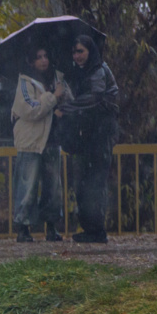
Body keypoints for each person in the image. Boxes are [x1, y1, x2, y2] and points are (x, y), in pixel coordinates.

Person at [56, 35, 119, 243]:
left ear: (90, 51)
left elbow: (94, 97)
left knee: (96, 181)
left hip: (100, 134)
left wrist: (67, 108)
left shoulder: (99, 70)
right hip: (86, 134)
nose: (77, 56)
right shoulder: (79, 74)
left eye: (81, 51)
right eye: (75, 52)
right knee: (81, 181)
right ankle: (89, 227)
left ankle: (97, 229)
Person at [11, 47, 66, 242]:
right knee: (27, 185)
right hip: (31, 141)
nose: (43, 60)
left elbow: (64, 102)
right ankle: (23, 227)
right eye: (39, 57)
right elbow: (29, 109)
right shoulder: (25, 82)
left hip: (52, 138)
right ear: (32, 61)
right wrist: (52, 98)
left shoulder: (57, 79)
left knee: (53, 187)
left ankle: (51, 226)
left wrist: (58, 106)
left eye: (46, 56)